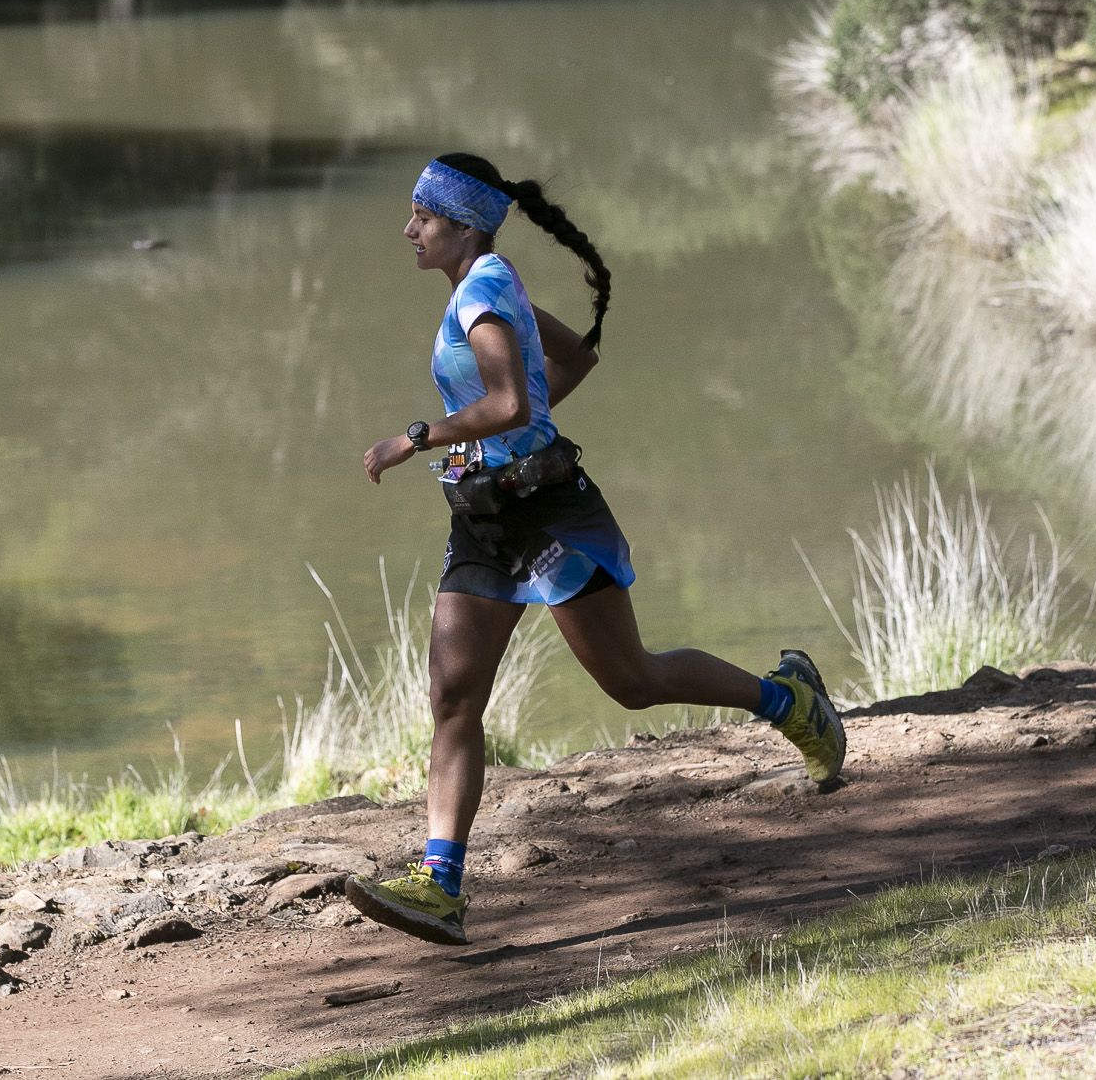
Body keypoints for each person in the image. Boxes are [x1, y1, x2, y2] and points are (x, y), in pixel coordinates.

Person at [343, 153, 847, 947]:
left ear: (464, 225)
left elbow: (509, 400)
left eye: (421, 216)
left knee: (633, 681)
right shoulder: (492, 281)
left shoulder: (480, 294)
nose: (408, 229)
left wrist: (418, 438)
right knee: (453, 696)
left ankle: (790, 700)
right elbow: (569, 365)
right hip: (483, 519)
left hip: (546, 515)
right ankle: (441, 885)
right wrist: (514, 430)